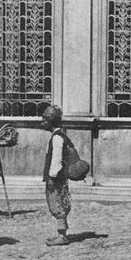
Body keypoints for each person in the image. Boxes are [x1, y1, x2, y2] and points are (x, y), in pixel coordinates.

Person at [42, 105, 72, 247]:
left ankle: (62, 236)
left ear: (51, 121)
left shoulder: (57, 138)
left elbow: (56, 159)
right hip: (57, 177)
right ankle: (61, 233)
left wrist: (51, 177)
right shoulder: (58, 135)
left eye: (45, 120)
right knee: (58, 203)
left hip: (56, 178)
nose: (42, 123)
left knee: (57, 204)